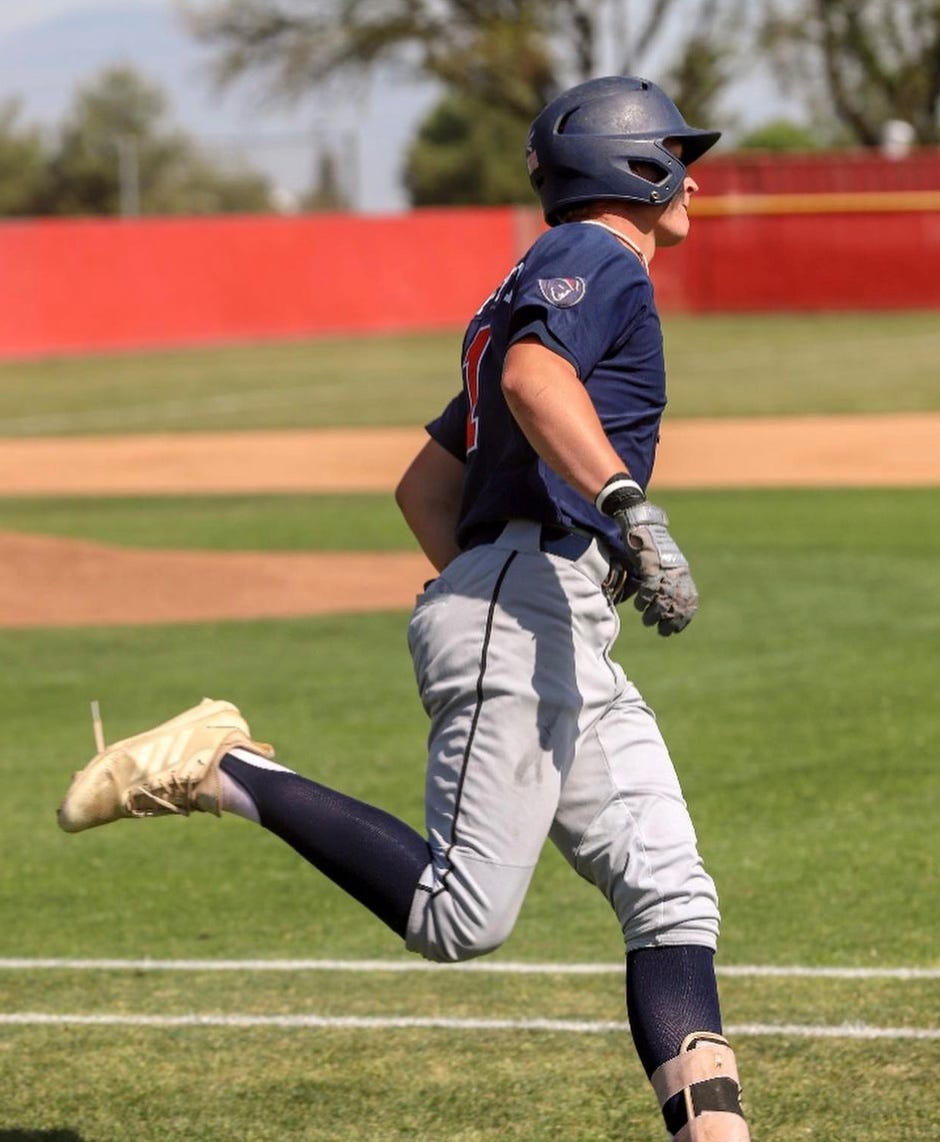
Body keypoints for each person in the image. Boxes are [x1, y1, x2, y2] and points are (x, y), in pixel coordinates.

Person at [57, 76, 750, 1142]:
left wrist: (495, 586)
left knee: (670, 891)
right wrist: (621, 512)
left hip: (540, 611)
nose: (692, 174)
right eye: (676, 152)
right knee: (458, 913)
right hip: (524, 607)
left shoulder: (533, 275)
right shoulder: (598, 257)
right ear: (632, 168)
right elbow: (531, 377)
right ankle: (223, 767)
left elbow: (425, 485)